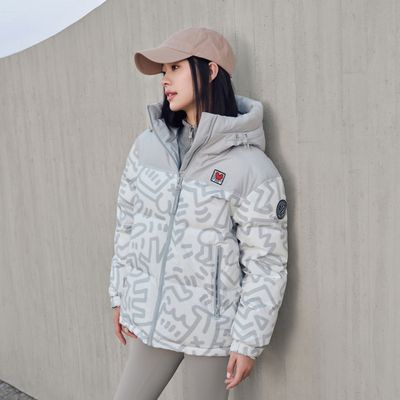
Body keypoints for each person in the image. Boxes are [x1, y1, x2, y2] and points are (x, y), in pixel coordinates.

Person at [109, 27, 289, 400]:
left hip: (211, 330)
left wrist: (248, 340)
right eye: (163, 72)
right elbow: (128, 224)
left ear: (210, 71)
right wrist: (121, 293)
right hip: (153, 316)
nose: (165, 80)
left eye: (175, 67)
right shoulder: (147, 147)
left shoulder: (251, 168)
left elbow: (266, 263)